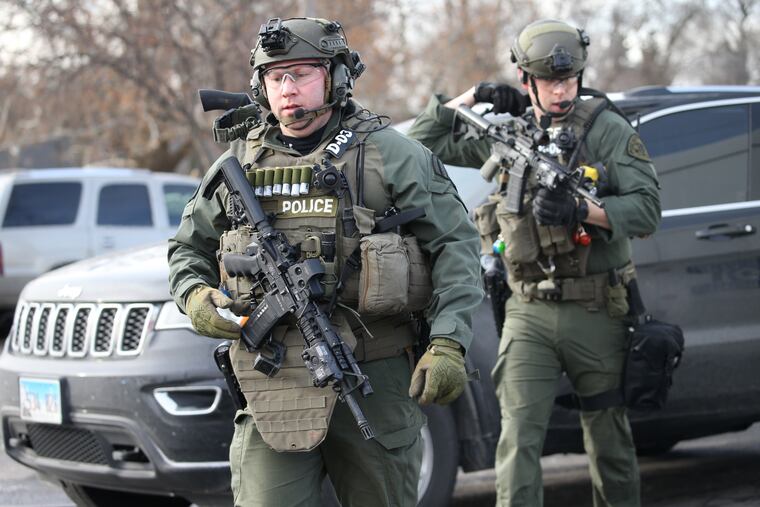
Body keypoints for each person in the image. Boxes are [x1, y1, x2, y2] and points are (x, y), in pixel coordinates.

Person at [167, 16, 483, 507]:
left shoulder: (389, 154)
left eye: (302, 73)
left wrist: (448, 343)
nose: (287, 88)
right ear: (260, 86)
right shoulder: (240, 163)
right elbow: (188, 247)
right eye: (276, 77)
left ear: (335, 77)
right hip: (275, 381)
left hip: (375, 377)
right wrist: (195, 297)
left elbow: (457, 246)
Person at [407, 19, 661, 507]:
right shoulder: (514, 132)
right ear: (526, 80)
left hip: (596, 308)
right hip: (528, 313)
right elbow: (424, 141)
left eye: (569, 80)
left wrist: (583, 210)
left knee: (609, 440)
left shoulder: (606, 130)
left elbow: (648, 209)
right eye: (549, 81)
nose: (561, 90)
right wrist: (470, 95)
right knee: (518, 438)